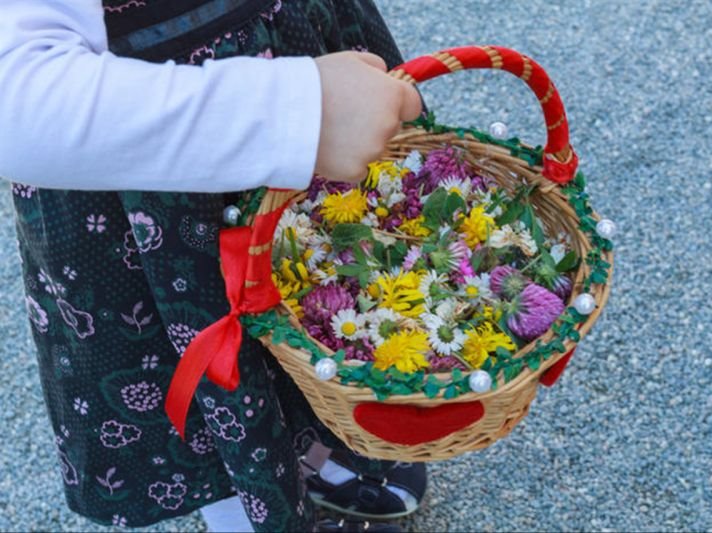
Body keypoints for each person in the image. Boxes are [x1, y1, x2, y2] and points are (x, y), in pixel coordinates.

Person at [0, 1, 425, 532]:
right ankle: (245, 507)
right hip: (160, 162)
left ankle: (319, 444)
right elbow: (20, 100)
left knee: (324, 304)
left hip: (287, 36)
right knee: (213, 372)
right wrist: (294, 111)